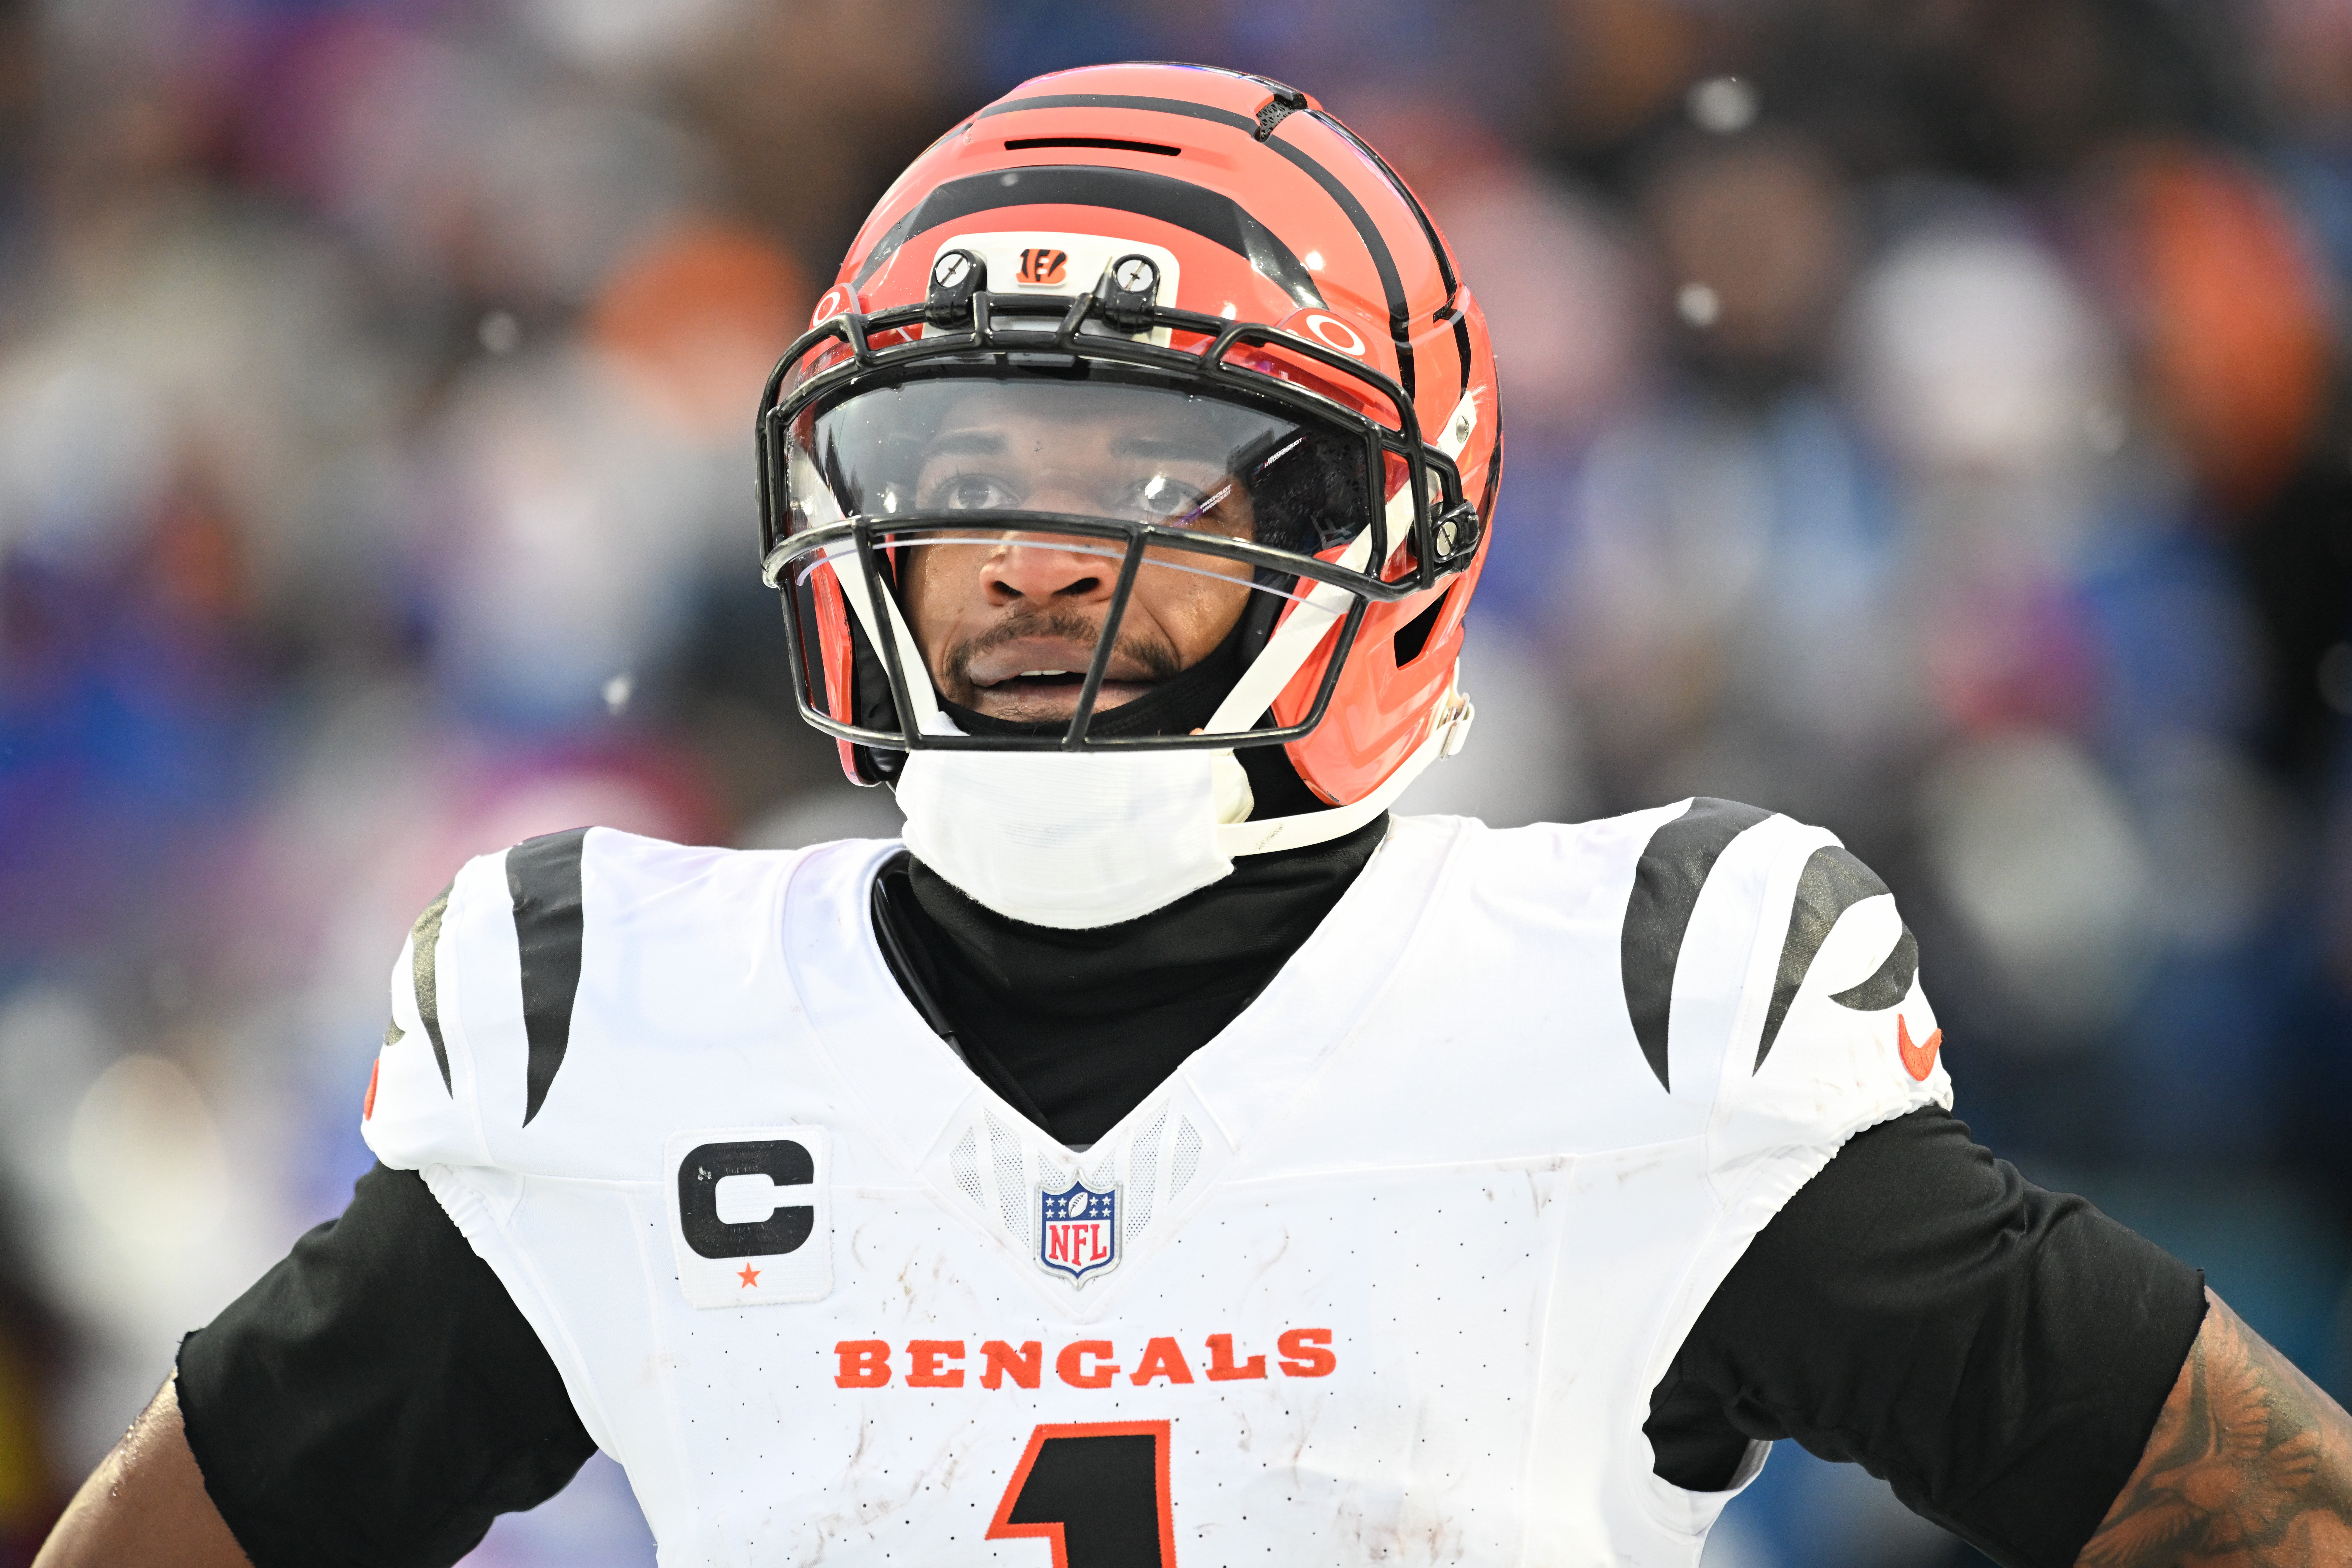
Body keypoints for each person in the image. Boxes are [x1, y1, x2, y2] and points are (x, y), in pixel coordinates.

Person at [34, 62, 2352, 1568]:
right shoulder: (635, 1031)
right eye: (956, 477)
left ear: (1392, 525)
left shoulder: (1642, 1015)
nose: (1032, 553)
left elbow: (2266, 1517)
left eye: (1139, 468)